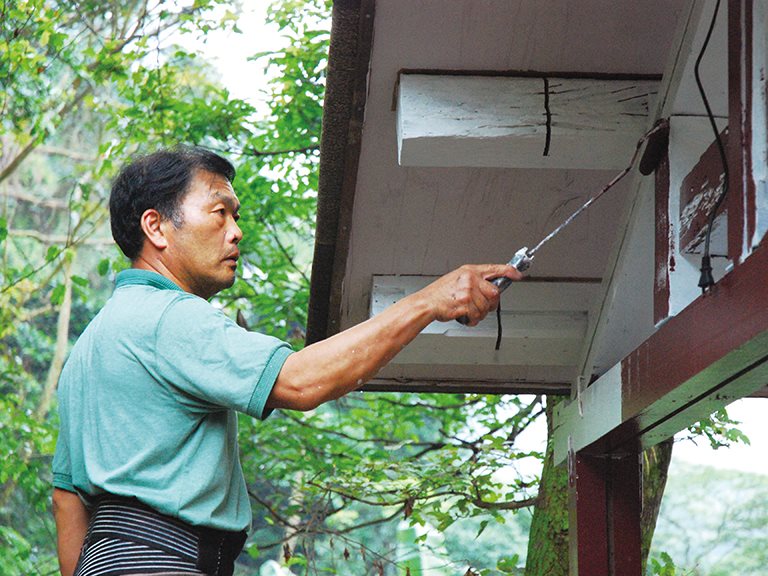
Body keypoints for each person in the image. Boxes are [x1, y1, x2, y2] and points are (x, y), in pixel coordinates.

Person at [52, 146, 521, 576]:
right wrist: (430, 302)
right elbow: (300, 381)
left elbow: (66, 501)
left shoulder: (88, 349)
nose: (236, 231)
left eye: (236, 216)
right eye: (219, 212)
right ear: (156, 227)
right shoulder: (169, 318)